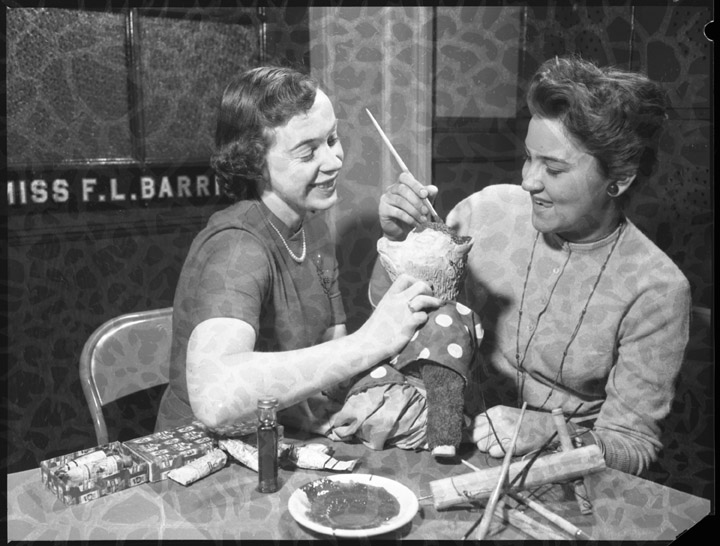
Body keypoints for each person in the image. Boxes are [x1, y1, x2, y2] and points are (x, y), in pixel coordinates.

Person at [370, 54, 691, 476]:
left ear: (619, 178)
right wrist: (399, 242)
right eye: (529, 157)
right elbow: (392, 319)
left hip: (560, 474)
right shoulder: (485, 211)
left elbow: (633, 445)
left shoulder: (657, 288)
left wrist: (553, 431)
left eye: (553, 169)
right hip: (445, 442)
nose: (528, 181)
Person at [156, 66, 442, 435]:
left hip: (278, 433)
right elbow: (215, 399)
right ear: (255, 162)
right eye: (307, 153)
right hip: (201, 452)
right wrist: (370, 341)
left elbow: (330, 364)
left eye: (332, 139)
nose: (334, 160)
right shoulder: (237, 247)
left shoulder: (311, 227)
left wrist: (398, 241)